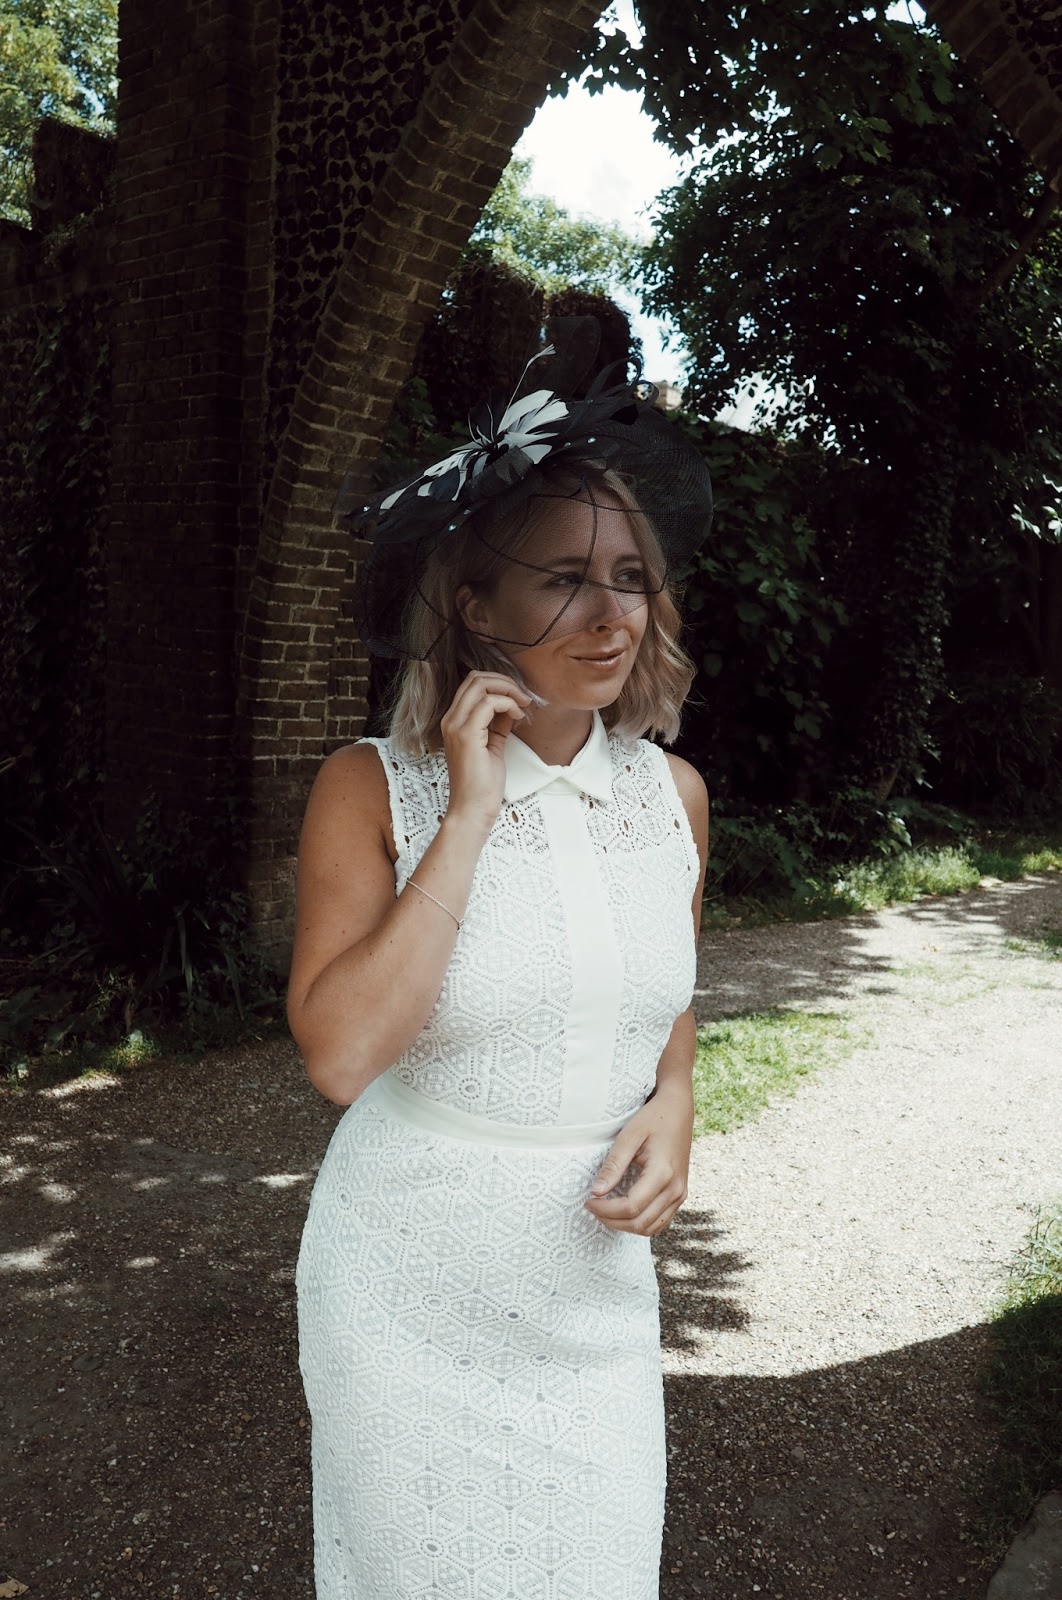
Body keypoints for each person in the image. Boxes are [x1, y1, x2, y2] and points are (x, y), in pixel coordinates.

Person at [287, 322, 712, 1599]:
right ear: (476, 605)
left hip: (592, 1286)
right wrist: (468, 817)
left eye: (629, 577)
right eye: (564, 579)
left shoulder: (676, 797)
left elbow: (660, 994)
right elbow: (341, 1056)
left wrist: (678, 1098)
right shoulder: (373, 788)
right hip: (407, 1284)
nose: (611, 614)